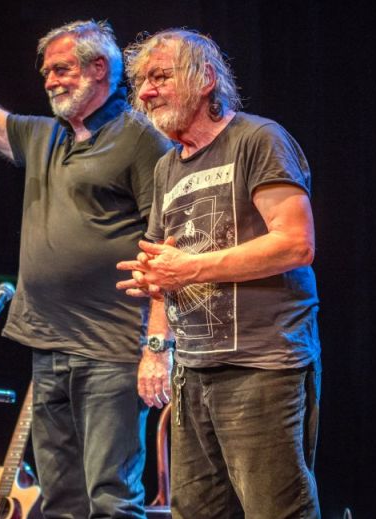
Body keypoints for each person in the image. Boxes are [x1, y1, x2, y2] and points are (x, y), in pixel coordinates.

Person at [0, 10, 170, 518]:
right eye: (46, 71)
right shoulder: (43, 136)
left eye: (61, 69)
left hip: (113, 348)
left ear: (99, 69)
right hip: (48, 344)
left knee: (111, 498)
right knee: (60, 500)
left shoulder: (139, 139)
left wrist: (157, 345)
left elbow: (166, 242)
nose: (49, 80)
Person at [117, 29, 322, 518]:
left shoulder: (258, 139)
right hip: (192, 372)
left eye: (160, 76)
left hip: (261, 364)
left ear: (206, 78)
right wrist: (156, 345)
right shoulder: (167, 168)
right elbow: (165, 264)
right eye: (141, 82)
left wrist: (189, 269)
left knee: (275, 509)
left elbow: (296, 243)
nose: (146, 92)